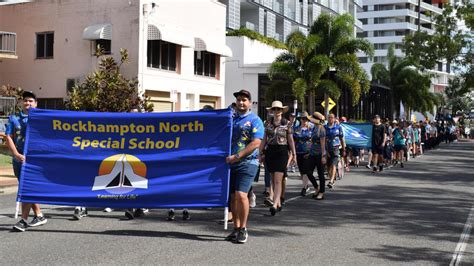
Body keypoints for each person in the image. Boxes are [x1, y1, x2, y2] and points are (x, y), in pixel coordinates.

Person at [6, 91, 48, 232]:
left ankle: (23, 220)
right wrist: (16, 154)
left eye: (31, 101)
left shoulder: (42, 120)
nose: (27, 103)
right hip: (18, 160)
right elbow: (9, 137)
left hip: (33, 161)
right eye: (25, 101)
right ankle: (39, 215)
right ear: (21, 103)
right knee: (27, 187)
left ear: (36, 104)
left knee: (26, 188)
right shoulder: (14, 118)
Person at [225, 89, 263, 244]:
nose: (241, 102)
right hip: (230, 163)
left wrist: (238, 156)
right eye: (239, 100)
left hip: (248, 163)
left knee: (241, 195)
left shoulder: (255, 120)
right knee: (233, 197)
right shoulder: (230, 119)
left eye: (244, 100)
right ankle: (236, 227)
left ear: (250, 103)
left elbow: (256, 142)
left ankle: (243, 229)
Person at [259, 101, 297, 216]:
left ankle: (274, 204)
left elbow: (290, 140)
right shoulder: (267, 123)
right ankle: (278, 202)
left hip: (282, 152)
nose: (276, 111)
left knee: (278, 180)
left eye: (278, 109)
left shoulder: (287, 124)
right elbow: (264, 139)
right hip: (270, 151)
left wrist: (294, 154)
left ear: (282, 111)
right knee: (272, 178)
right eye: (274, 109)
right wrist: (260, 152)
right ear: (272, 111)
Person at [306, 112, 327, 200]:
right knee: (308, 171)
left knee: (320, 174)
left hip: (319, 154)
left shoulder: (321, 129)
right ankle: (316, 187)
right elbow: (312, 142)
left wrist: (323, 156)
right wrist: (309, 152)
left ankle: (321, 192)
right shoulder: (314, 128)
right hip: (312, 153)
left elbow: (323, 144)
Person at [292, 111, 314, 196]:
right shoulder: (296, 128)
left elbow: (314, 140)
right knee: (301, 171)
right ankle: (306, 185)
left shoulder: (311, 128)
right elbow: (293, 140)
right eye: (302, 119)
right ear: (300, 119)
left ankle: (304, 188)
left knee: (305, 170)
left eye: (305, 119)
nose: (304, 120)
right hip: (298, 151)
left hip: (307, 152)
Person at [325, 113, 345, 188]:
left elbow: (341, 139)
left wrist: (343, 149)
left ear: (334, 119)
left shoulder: (338, 127)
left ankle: (331, 181)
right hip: (327, 148)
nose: (330, 119)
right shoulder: (325, 127)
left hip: (335, 148)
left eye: (332, 117)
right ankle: (332, 179)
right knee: (328, 166)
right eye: (329, 117)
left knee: (333, 164)